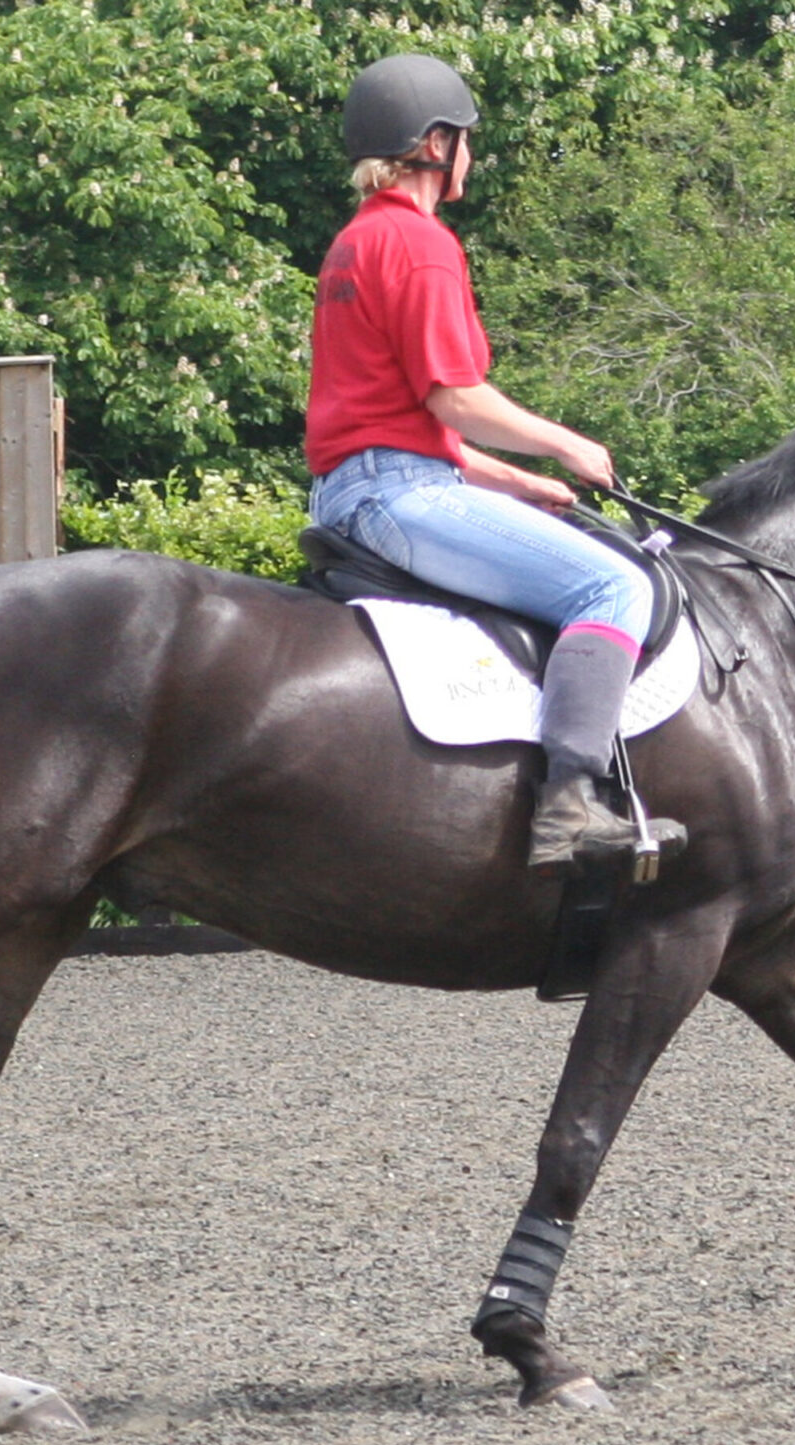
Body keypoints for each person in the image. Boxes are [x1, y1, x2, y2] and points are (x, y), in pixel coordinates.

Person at [305, 52, 686, 872]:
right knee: (614, 584)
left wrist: (520, 482)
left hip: (363, 484)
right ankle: (569, 808)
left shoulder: (355, 243)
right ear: (435, 144)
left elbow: (401, 422)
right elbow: (455, 400)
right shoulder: (420, 243)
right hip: (398, 495)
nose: (471, 156)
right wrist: (567, 443)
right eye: (467, 140)